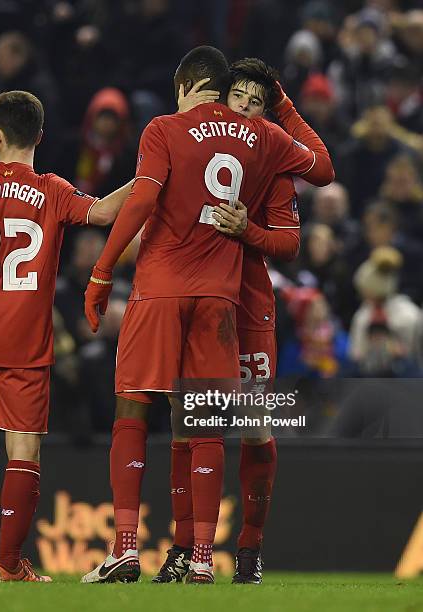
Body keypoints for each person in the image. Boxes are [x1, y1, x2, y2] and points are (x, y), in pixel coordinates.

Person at [81, 47, 333, 585]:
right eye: (236, 95)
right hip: (214, 298)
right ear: (223, 94)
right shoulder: (255, 148)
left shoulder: (272, 162)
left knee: (251, 429)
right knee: (186, 421)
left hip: (246, 309)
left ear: (267, 110)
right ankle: (185, 549)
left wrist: (248, 232)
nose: (244, 106)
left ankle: (247, 547)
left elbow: (288, 241)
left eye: (256, 101)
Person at [0, 90, 133, 583]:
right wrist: (148, 176)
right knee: (23, 452)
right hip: (26, 341)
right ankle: (6, 564)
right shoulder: (52, 189)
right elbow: (103, 214)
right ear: (40, 136)